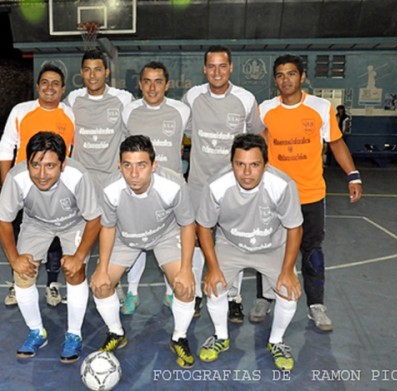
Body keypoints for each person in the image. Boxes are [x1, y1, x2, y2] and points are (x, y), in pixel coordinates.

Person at [251, 54, 363, 331]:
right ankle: (264, 297)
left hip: (311, 194)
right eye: (279, 75)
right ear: (274, 79)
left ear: (302, 77)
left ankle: (316, 305)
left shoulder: (320, 107)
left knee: (312, 250)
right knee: (268, 248)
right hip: (274, 195)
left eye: (290, 74)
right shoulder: (265, 110)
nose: (285, 79)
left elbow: (336, 144)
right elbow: (257, 148)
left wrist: (353, 175)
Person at [197, 134, 303, 371]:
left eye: (254, 165)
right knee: (214, 286)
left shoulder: (282, 185)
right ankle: (221, 337)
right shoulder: (216, 186)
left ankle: (276, 341)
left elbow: (294, 228)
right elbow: (204, 227)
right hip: (230, 244)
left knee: (289, 290)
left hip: (272, 247)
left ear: (265, 165)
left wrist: (287, 271)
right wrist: (212, 269)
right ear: (231, 163)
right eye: (240, 164)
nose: (246, 172)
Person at [89, 135, 196, 368]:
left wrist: (187, 269)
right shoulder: (110, 188)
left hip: (165, 235)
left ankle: (179, 336)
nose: (134, 173)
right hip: (126, 237)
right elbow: (107, 227)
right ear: (120, 165)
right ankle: (116, 332)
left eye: (141, 165)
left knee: (185, 286)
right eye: (127, 165)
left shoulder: (174, 185)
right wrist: (101, 268)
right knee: (101, 285)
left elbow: (188, 225)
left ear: (154, 165)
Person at [0, 132, 101, 363]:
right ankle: (36, 332)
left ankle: (74, 334)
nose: (42, 174)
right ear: (27, 162)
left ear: (62, 164)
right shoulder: (17, 177)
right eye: (35, 165)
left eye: (50, 166)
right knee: (22, 273)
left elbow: (94, 219)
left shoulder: (78, 175)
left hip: (73, 222)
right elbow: (3, 220)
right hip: (36, 223)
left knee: (75, 271)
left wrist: (79, 255)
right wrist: (14, 259)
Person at [182, 45, 264, 321]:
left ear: (230, 68)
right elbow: (186, 129)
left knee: (233, 240)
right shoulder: (192, 96)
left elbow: (258, 134)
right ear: (204, 69)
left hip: (233, 187)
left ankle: (233, 297)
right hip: (198, 185)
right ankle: (193, 295)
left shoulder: (245, 98)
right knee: (194, 242)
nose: (217, 71)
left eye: (222, 66)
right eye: (211, 66)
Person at [0, 64, 75, 307]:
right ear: (37, 86)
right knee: (23, 237)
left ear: (63, 89)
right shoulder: (21, 111)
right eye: (45, 82)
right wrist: (7, 186)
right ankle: (18, 280)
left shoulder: (70, 114)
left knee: (55, 240)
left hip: (58, 191)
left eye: (55, 83)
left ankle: (52, 283)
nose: (49, 87)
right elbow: (5, 148)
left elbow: (72, 152)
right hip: (25, 189)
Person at [119, 61, 191, 314]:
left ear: (167, 84)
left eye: (158, 81)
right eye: (147, 81)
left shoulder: (181, 111)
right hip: (137, 190)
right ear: (140, 84)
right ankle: (132, 292)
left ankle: (171, 292)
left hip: (171, 192)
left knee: (170, 243)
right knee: (136, 242)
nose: (152, 87)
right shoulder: (129, 112)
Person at [66, 48, 133, 189]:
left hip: (113, 178)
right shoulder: (72, 99)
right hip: (81, 179)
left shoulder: (124, 99)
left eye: (97, 69)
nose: (92, 75)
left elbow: (138, 130)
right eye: (87, 70)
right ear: (81, 73)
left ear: (106, 72)